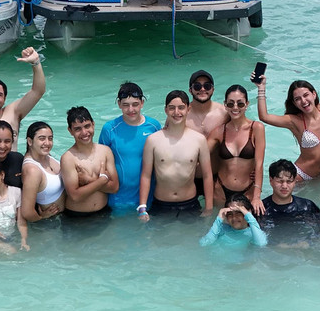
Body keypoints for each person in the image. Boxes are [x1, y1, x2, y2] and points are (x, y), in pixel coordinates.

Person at [138, 91, 214, 220]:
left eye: (181, 107)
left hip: (190, 203)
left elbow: (207, 175)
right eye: (172, 108)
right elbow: (146, 175)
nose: (176, 112)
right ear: (166, 110)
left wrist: (209, 207)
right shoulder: (153, 140)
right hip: (161, 204)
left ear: (188, 109)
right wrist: (142, 208)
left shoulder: (199, 140)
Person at [256, 74, 320, 183]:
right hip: (300, 175)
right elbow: (264, 117)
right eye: (298, 99)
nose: (303, 101)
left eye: (306, 95)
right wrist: (261, 88)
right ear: (294, 103)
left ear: (314, 94)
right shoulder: (294, 121)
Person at [98, 82, 161, 211]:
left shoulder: (154, 126)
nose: (131, 110)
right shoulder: (109, 129)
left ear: (142, 103)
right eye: (126, 105)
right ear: (119, 104)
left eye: (135, 104)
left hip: (149, 199)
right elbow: (100, 162)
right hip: (118, 200)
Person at [208, 84, 266, 214]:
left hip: (248, 192)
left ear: (247, 104)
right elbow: (199, 155)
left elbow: (259, 163)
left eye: (240, 104)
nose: (235, 107)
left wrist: (257, 196)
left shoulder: (256, 128)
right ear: (225, 105)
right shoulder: (219, 131)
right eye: (230, 104)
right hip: (220, 191)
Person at [59, 106, 119, 218]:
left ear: (93, 124)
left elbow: (114, 187)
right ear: (70, 131)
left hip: (103, 213)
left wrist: (88, 180)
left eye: (87, 126)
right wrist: (102, 181)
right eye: (77, 129)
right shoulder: (68, 158)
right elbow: (75, 196)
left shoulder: (105, 151)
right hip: (77, 217)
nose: (84, 132)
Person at [21, 121, 64, 223]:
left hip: (63, 218)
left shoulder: (46, 156)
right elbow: (27, 212)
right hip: (51, 223)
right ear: (30, 141)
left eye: (50, 138)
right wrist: (42, 217)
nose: (47, 143)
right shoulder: (32, 170)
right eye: (42, 138)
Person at [199, 196, 268, 248]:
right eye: (230, 214)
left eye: (238, 213)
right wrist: (218, 219)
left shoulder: (254, 232)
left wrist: (249, 215)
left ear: (247, 212)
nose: (234, 218)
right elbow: (204, 243)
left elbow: (261, 244)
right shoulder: (221, 228)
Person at [185, 70, 228, 138]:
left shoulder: (224, 113)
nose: (202, 89)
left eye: (207, 86)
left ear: (213, 90)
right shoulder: (182, 114)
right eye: (197, 86)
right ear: (190, 90)